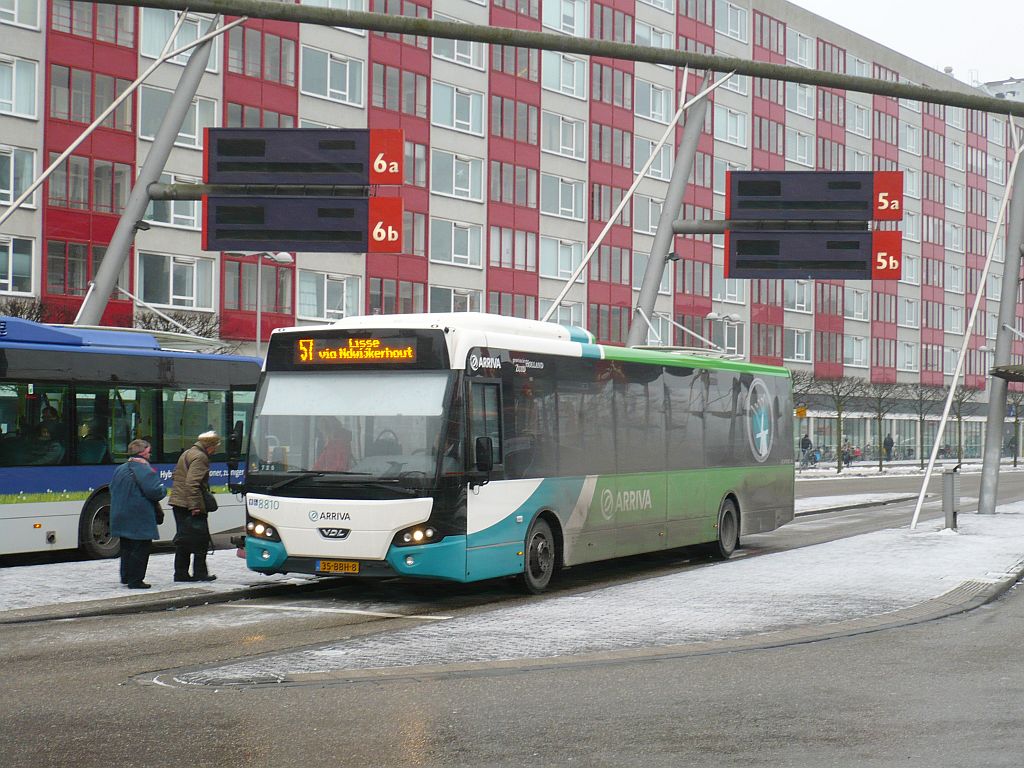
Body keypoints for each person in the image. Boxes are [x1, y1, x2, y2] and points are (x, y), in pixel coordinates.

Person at [109, 439, 166, 589]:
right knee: (141, 547)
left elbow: (112, 488)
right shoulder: (144, 469)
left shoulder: (120, 469)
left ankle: (126, 576)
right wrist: (163, 489)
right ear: (142, 453)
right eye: (149, 452)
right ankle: (136, 580)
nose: (150, 455)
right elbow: (155, 492)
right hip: (138, 516)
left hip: (121, 514)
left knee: (126, 546)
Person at [168, 430, 221, 582]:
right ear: (209, 445)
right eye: (215, 446)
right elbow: (192, 483)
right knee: (201, 540)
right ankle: (200, 573)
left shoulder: (188, 453)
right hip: (190, 504)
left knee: (183, 540)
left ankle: (181, 573)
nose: (215, 450)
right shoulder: (201, 457)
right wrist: (195, 506)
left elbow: (175, 475)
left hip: (178, 502)